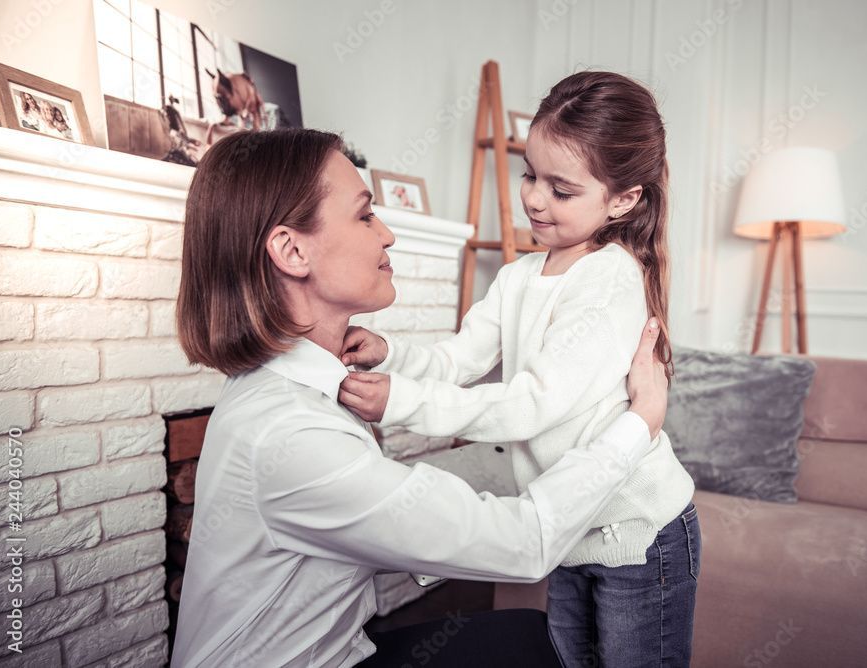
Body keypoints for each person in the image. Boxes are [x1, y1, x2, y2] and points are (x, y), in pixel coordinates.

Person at [169, 127, 672, 668]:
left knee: (537, 636)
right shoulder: (292, 434)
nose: (387, 235)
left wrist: (395, 366)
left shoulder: (295, 386)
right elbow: (523, 542)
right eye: (365, 215)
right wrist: (642, 419)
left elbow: (511, 405)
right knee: (540, 643)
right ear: (291, 250)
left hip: (335, 651)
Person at [339, 71, 700, 667]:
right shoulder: (516, 278)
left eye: (561, 190)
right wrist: (391, 355)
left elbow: (532, 403)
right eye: (529, 174)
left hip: (640, 534)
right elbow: (459, 359)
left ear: (624, 199)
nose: (533, 197)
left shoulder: (609, 279)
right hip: (568, 527)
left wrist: (400, 400)